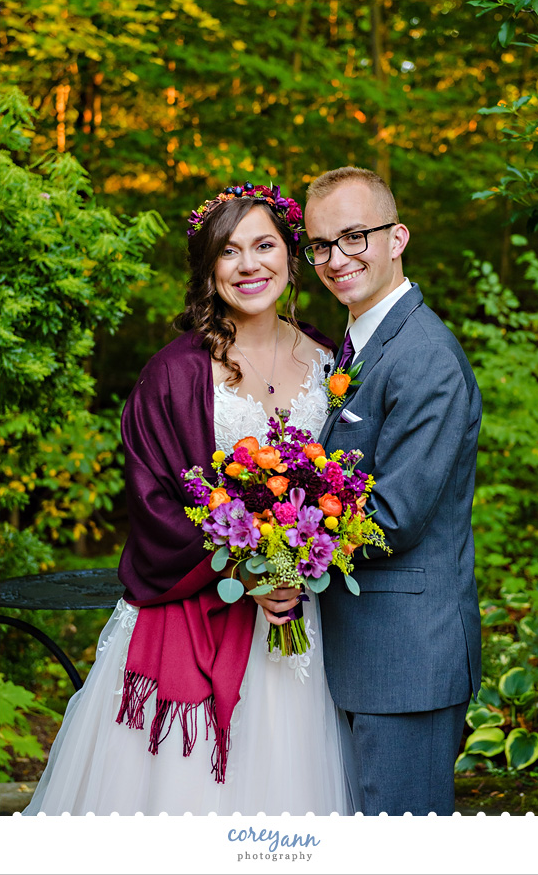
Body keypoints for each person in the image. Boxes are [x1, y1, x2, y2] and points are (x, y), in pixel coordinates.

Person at [22, 182, 357, 816]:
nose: (249, 264)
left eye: (264, 245)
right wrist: (250, 570)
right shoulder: (174, 373)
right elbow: (151, 502)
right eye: (229, 252)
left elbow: (342, 485)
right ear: (209, 269)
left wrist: (299, 559)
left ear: (292, 255)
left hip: (302, 620)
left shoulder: (331, 360)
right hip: (205, 603)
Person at [301, 166, 482, 816]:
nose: (335, 259)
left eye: (354, 237)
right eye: (320, 245)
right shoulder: (360, 346)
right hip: (366, 652)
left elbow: (394, 515)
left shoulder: (425, 357)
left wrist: (285, 547)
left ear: (397, 236)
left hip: (405, 660)